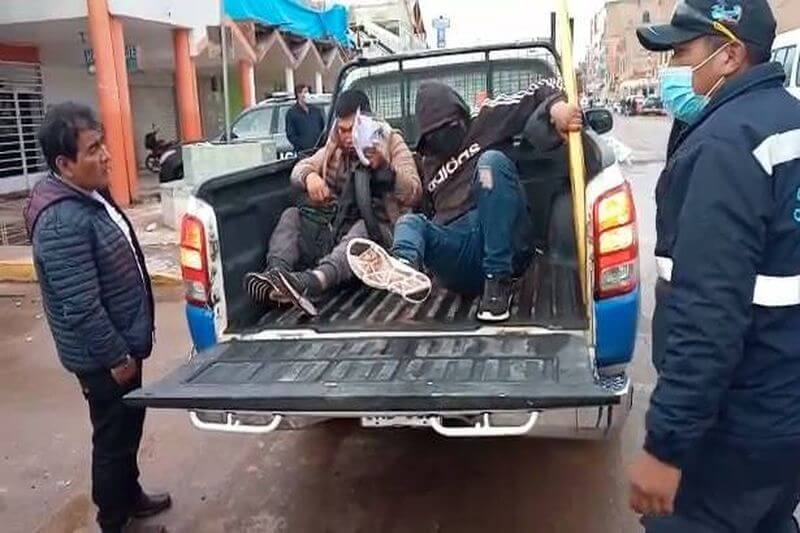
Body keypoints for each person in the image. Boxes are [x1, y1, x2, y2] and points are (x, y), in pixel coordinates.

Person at [627, 1, 800, 531]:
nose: (671, 69)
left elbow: (708, 312)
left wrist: (668, 446)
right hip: (783, 415)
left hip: (734, 429)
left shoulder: (725, 146)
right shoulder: (787, 125)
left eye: (682, 51)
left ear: (729, 56)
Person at [23, 103, 171, 533]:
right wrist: (118, 356)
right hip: (105, 357)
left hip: (121, 345)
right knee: (112, 439)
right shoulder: (61, 221)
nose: (106, 155)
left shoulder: (86, 194)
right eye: (94, 150)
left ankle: (132, 496)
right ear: (64, 164)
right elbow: (81, 305)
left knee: (127, 428)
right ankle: (115, 521)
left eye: (103, 144)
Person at [345, 78, 582, 321]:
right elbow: (415, 198)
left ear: (460, 115)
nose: (441, 137)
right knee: (410, 222)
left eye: (446, 126)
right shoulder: (428, 163)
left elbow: (544, 87)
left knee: (490, 164)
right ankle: (404, 266)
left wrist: (556, 108)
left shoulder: (488, 120)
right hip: (460, 251)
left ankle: (497, 284)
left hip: (500, 233)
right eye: (434, 134)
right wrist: (384, 170)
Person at [244, 89, 422, 314]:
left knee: (361, 230)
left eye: (352, 129)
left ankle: (312, 282)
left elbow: (414, 191)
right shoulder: (335, 146)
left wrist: (386, 168)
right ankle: (277, 278)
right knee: (292, 216)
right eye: (342, 129)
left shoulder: (390, 141)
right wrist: (311, 178)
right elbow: (300, 168)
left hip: (381, 237)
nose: (347, 137)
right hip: (337, 227)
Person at [285, 83, 326, 153]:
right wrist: (301, 146)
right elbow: (291, 134)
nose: (307, 95)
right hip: (303, 152)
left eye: (307, 92)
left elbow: (322, 128)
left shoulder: (316, 111)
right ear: (299, 94)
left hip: (318, 150)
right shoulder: (292, 113)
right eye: (305, 92)